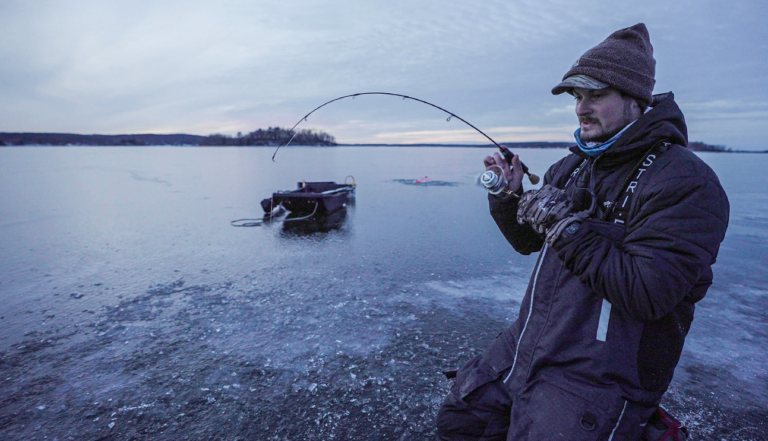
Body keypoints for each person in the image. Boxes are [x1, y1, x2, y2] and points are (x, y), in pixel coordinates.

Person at [436, 23, 729, 440]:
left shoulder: (685, 180)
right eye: (577, 96)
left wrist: (562, 224)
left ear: (635, 99)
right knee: (459, 421)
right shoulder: (573, 166)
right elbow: (527, 242)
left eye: (596, 95)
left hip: (598, 378)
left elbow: (648, 293)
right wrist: (511, 197)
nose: (580, 108)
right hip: (528, 345)